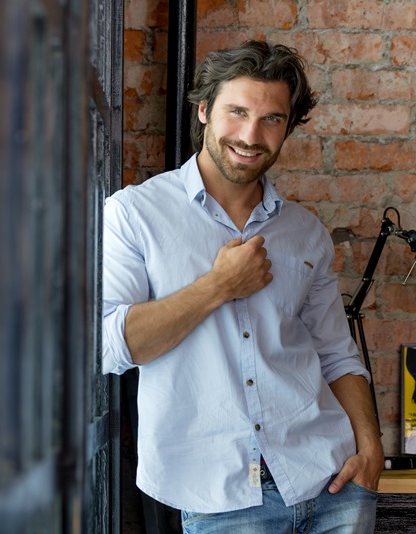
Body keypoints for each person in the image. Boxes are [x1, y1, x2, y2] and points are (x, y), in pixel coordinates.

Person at [102, 40, 384, 533]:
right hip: (222, 501)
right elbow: (111, 346)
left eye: (272, 119)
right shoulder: (135, 215)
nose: (251, 135)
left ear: (288, 126)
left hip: (333, 483)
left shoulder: (305, 231)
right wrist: (218, 286)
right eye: (237, 112)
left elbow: (337, 355)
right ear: (205, 110)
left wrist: (370, 449)